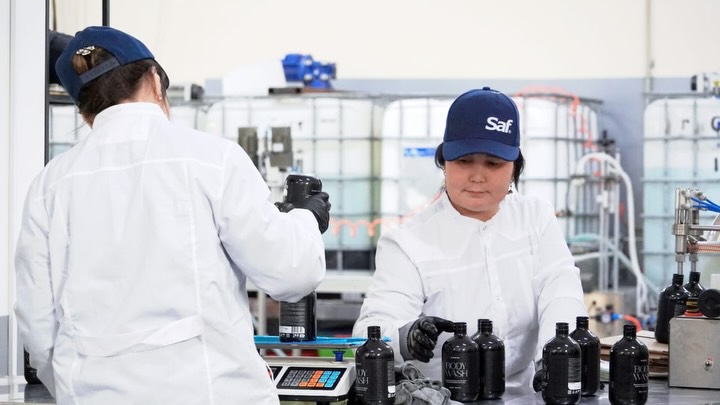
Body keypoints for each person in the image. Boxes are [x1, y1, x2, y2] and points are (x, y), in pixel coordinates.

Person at [14, 26, 330, 405]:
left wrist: (75, 386)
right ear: (154, 80)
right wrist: (306, 219)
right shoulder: (212, 159)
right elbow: (290, 272)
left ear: (83, 111)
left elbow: (37, 323)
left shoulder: (49, 185)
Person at [352, 87, 587, 392]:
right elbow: (367, 332)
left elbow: (561, 292)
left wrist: (554, 357)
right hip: (440, 395)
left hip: (525, 392)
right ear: (444, 162)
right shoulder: (407, 242)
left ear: (514, 167)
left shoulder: (536, 218)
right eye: (464, 161)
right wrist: (404, 337)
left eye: (493, 163)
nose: (477, 176)